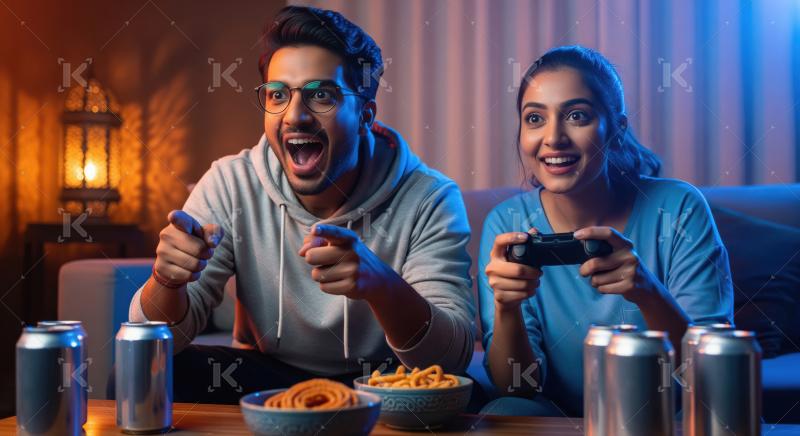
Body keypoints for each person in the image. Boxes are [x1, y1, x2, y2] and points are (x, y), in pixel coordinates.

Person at [125, 5, 475, 403]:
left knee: (464, 397)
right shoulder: (230, 182)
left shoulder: (430, 197)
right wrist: (167, 282)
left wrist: (383, 286)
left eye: (321, 95)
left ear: (364, 115)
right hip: (270, 378)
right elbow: (154, 342)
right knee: (141, 374)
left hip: (384, 384)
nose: (295, 116)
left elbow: (452, 358)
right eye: (278, 95)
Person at [478, 46, 733, 416]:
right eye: (535, 118)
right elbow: (517, 386)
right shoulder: (506, 223)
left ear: (616, 129)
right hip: (560, 418)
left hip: (668, 416)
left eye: (576, 115)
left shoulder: (679, 207)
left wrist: (648, 292)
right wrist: (506, 308)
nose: (553, 138)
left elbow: (715, 373)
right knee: (506, 410)